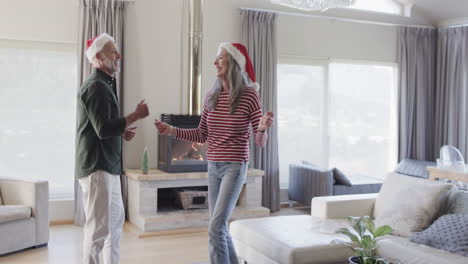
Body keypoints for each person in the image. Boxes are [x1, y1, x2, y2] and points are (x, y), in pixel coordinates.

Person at [154, 42, 273, 264]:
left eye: (220, 57)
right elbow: (201, 134)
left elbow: (259, 141)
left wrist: (263, 128)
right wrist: (171, 130)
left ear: (234, 62)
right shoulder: (212, 96)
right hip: (213, 165)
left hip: (235, 166)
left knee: (215, 226)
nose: (214, 62)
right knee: (219, 227)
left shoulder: (249, 96)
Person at [75, 33, 149, 264]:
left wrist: (121, 130)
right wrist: (135, 115)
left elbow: (102, 126)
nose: (119, 55)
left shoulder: (104, 84)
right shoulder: (96, 86)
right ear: (98, 57)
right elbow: (103, 129)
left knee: (115, 222)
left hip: (108, 165)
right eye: (112, 51)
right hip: (98, 166)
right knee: (98, 229)